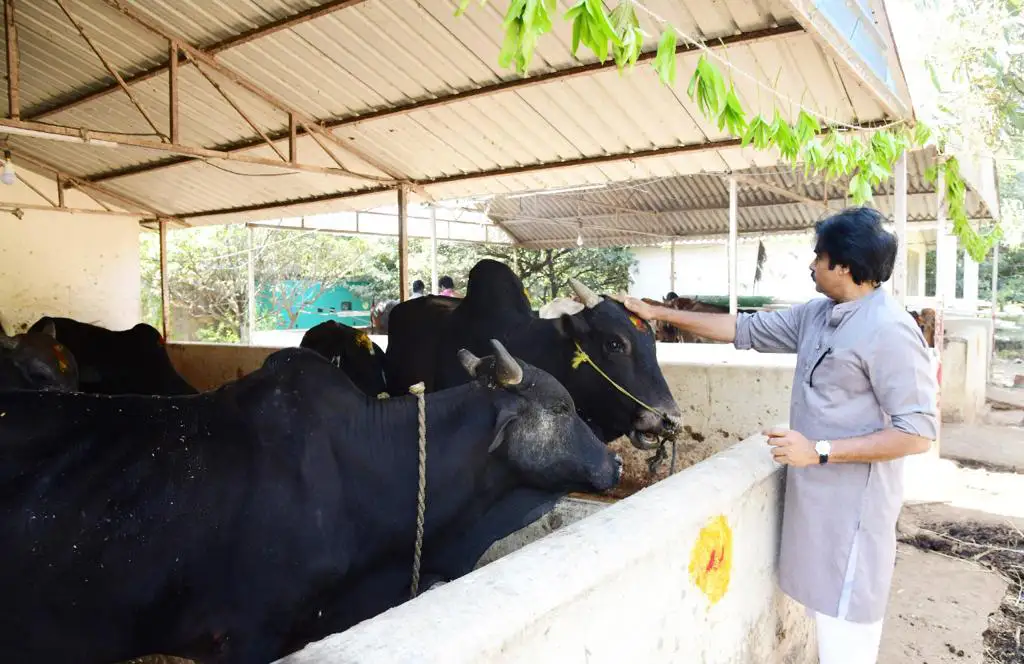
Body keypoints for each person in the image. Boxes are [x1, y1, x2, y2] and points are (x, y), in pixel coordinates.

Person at [623, 207, 937, 664]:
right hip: (816, 499)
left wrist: (820, 451)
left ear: (844, 266)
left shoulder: (889, 330)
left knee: (848, 634)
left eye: (819, 257)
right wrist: (654, 313)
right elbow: (741, 328)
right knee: (822, 619)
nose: (811, 265)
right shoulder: (818, 314)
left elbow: (917, 433)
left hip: (853, 511)